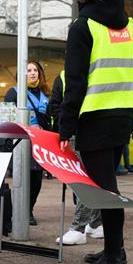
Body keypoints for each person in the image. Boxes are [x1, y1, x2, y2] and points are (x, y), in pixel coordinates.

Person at [59, 0, 133, 264]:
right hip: (121, 116)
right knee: (108, 184)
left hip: (95, 115)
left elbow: (75, 81)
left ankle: (113, 256)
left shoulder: (83, 26)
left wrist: (65, 126)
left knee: (104, 188)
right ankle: (113, 249)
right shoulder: (130, 28)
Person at [51, 66, 105, 244]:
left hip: (91, 131)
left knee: (87, 181)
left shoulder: (91, 71)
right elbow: (56, 106)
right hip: (78, 132)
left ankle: (80, 228)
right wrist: (67, 126)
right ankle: (94, 224)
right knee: (87, 180)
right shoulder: (64, 77)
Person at [5, 60, 52, 225]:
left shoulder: (45, 96)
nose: (32, 73)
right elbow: (8, 118)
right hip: (22, 141)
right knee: (24, 178)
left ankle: (29, 209)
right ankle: (22, 212)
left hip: (41, 142)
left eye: (35, 70)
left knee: (37, 179)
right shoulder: (14, 93)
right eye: (28, 70)